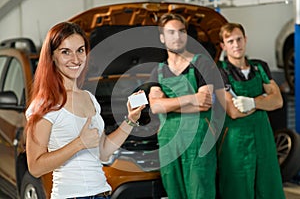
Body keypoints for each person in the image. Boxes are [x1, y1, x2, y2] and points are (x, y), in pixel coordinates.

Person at [25, 22, 145, 199]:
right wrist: (79, 143)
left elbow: (103, 151)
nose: (75, 59)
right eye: (66, 52)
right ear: (52, 56)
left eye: (80, 50)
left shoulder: (89, 98)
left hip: (102, 193)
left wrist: (131, 120)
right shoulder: (44, 105)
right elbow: (35, 167)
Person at [148, 13, 220, 199]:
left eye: (181, 31)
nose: (177, 37)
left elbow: (204, 103)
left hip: (197, 140)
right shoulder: (158, 71)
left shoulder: (202, 64)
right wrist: (191, 99)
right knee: (173, 192)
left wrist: (168, 104)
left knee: (200, 191)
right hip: (169, 142)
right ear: (162, 38)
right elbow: (155, 107)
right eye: (171, 32)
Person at [217, 22, 285, 199]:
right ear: (223, 46)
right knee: (238, 188)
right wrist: (263, 99)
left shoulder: (260, 67)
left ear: (245, 40)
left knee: (268, 186)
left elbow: (278, 101)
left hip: (264, 139)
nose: (236, 45)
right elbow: (233, 111)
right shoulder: (219, 71)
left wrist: (252, 103)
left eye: (239, 39)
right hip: (236, 143)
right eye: (230, 41)